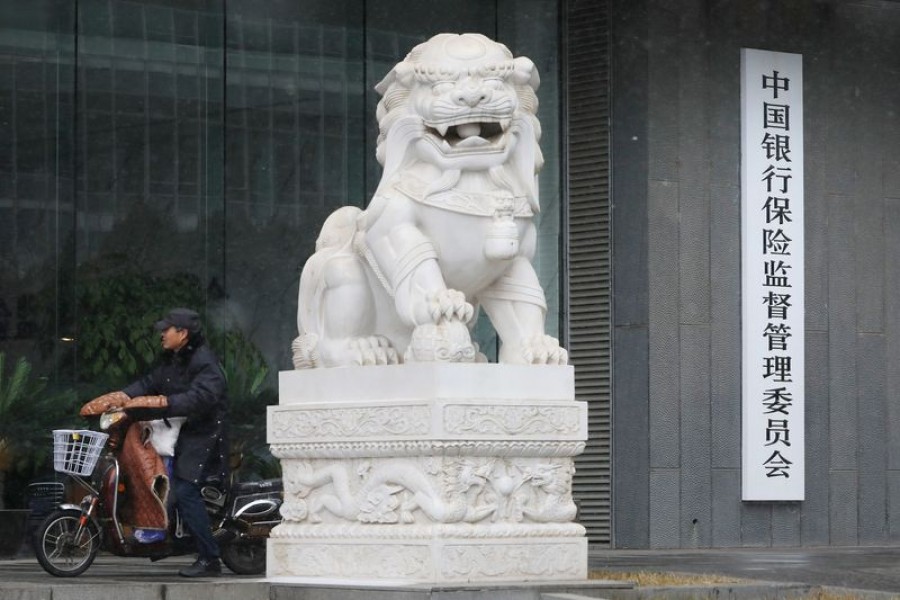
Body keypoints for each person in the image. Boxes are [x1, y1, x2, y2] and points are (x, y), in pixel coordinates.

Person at [93, 308, 229, 577]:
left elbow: (203, 398)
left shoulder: (205, 362)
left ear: (182, 333)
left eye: (166, 330)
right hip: (176, 429)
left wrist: (164, 403)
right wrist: (121, 396)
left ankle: (210, 558)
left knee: (185, 489)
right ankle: (164, 536)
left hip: (203, 432)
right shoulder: (172, 359)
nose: (161, 335)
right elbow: (149, 382)